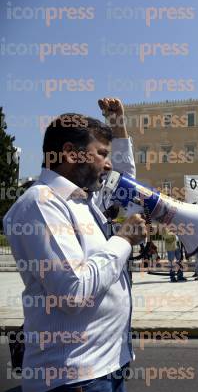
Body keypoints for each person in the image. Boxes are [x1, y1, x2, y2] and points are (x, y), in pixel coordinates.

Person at [4, 98, 146, 392]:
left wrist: (118, 126)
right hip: (75, 378)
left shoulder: (85, 200)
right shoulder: (40, 205)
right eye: (101, 154)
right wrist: (123, 240)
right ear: (70, 153)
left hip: (108, 366)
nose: (108, 163)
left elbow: (125, 182)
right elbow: (73, 292)